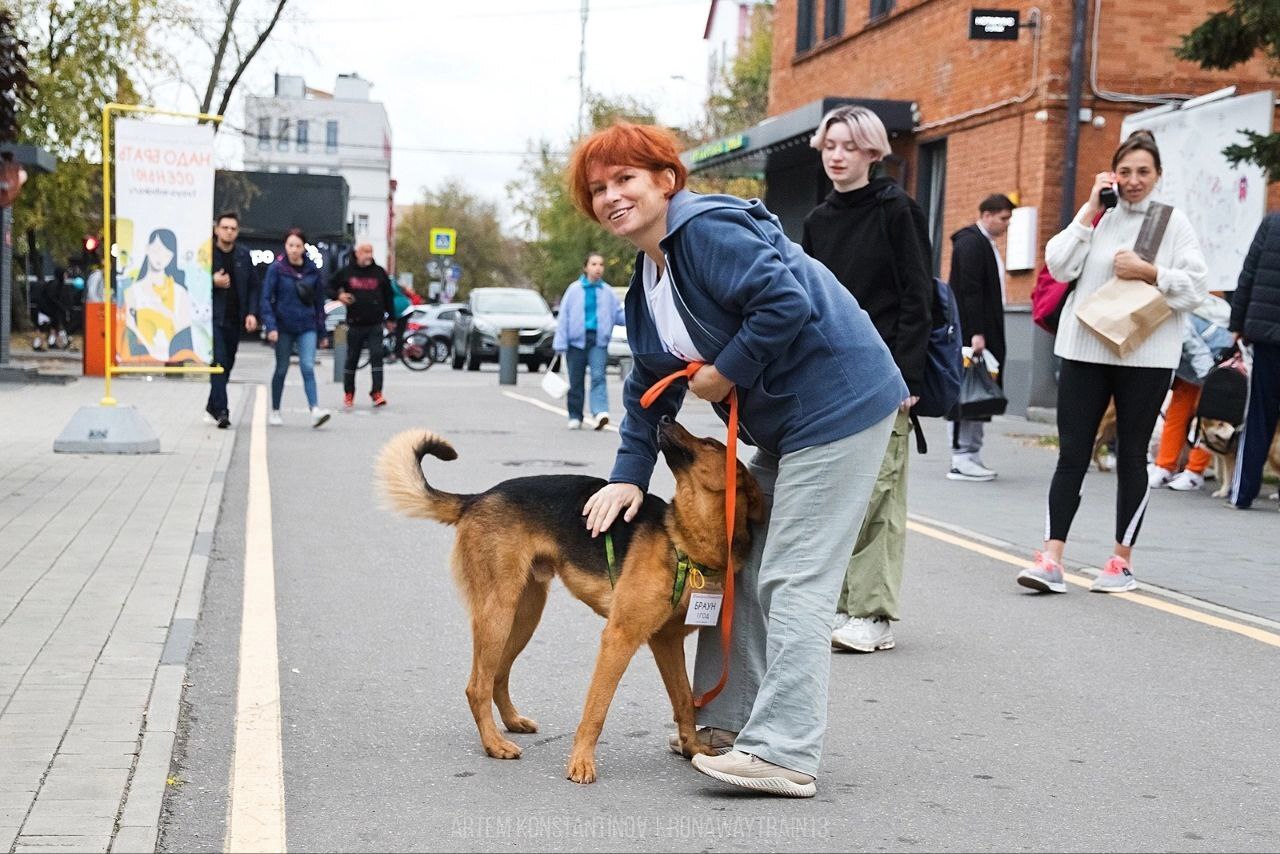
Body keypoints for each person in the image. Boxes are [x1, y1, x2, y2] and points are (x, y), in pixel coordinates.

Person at [571, 122, 905, 797]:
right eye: (598, 188)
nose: (611, 196)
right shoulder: (650, 277)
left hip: (839, 404)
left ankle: (785, 753)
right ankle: (720, 727)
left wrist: (726, 371)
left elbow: (787, 301)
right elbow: (646, 387)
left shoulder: (705, 232)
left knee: (794, 577)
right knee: (740, 567)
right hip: (788, 421)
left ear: (665, 180)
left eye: (625, 179)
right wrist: (629, 478)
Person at [1017, 129, 1206, 594]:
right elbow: (1058, 266)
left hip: (1147, 356)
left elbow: (1197, 288)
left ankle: (1120, 561)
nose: (1134, 180)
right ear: (1112, 174)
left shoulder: (1172, 222)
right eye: (1125, 171)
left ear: (1158, 175)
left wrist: (1151, 272)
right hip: (1084, 349)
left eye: (1143, 172)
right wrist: (1088, 210)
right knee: (1073, 453)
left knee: (1131, 457)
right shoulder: (1099, 215)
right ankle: (1051, 557)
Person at [800, 104, 933, 655]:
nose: (837, 156)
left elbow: (917, 298)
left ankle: (872, 615)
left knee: (879, 496)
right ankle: (835, 603)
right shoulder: (817, 220)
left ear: (873, 153)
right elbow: (804, 304)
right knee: (832, 496)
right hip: (828, 378)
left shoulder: (896, 209)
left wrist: (906, 377)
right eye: (830, 145)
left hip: (885, 377)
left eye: (850, 147)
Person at [948, 194, 1015, 482]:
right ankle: (962, 456)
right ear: (987, 215)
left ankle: (970, 454)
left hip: (981, 330)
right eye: (1003, 218)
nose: (1006, 225)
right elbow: (970, 291)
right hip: (974, 333)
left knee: (979, 390)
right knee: (970, 391)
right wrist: (975, 332)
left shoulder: (981, 243)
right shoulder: (972, 244)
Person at [1147, 294, 1233, 491]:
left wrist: (1211, 383)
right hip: (1185, 364)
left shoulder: (1172, 316)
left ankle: (1195, 471)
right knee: (1176, 410)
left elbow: (1197, 349)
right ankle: (1164, 465)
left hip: (1213, 354)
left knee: (1210, 415)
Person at [1227, 212, 1280, 510]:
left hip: (1268, 337)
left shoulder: (1272, 223)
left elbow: (1248, 273)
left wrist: (1238, 323)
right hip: (1267, 333)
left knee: (1260, 415)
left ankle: (1243, 492)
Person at [260, 228, 331, 428]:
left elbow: (319, 302)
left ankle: (315, 410)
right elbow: (266, 298)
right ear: (285, 246)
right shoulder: (276, 269)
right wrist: (270, 326)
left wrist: (322, 331)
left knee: (307, 366)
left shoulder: (312, 271)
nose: (294, 249)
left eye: (298, 246)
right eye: (290, 245)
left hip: (307, 325)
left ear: (303, 248)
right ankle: (275, 410)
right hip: (283, 326)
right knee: (281, 368)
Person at [552, 252, 624, 430]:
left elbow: (618, 314)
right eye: (593, 264)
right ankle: (575, 415)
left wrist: (639, 313)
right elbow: (564, 317)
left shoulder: (607, 292)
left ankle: (600, 412)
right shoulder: (574, 290)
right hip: (575, 342)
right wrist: (560, 343)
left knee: (598, 376)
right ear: (586, 267)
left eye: (601, 264)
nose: (598, 268)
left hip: (598, 341)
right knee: (576, 380)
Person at [206, 211, 260, 429]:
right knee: (218, 362)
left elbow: (254, 286)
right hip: (212, 318)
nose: (229, 232)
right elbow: (191, 279)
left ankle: (212, 403)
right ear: (217, 229)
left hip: (235, 318)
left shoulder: (243, 255)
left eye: (233, 228)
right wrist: (212, 280)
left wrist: (252, 313)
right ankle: (222, 411)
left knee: (227, 364)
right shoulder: (206, 254)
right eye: (225, 227)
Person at [327, 242, 395, 409]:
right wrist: (339, 295)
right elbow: (328, 286)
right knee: (352, 359)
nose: (368, 255)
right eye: (365, 252)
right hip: (355, 323)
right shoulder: (347, 272)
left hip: (375, 323)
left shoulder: (379, 272)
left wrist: (391, 318)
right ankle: (349, 393)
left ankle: (376, 392)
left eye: (371, 251)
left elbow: (388, 296)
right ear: (357, 253)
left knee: (377, 356)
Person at [121, 229, 196, 363]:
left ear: (172, 256)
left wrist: (164, 312)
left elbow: (184, 331)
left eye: (166, 253)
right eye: (156, 250)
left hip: (173, 356)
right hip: (140, 358)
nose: (160, 257)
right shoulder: (132, 292)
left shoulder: (180, 293)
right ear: (147, 249)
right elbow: (130, 329)